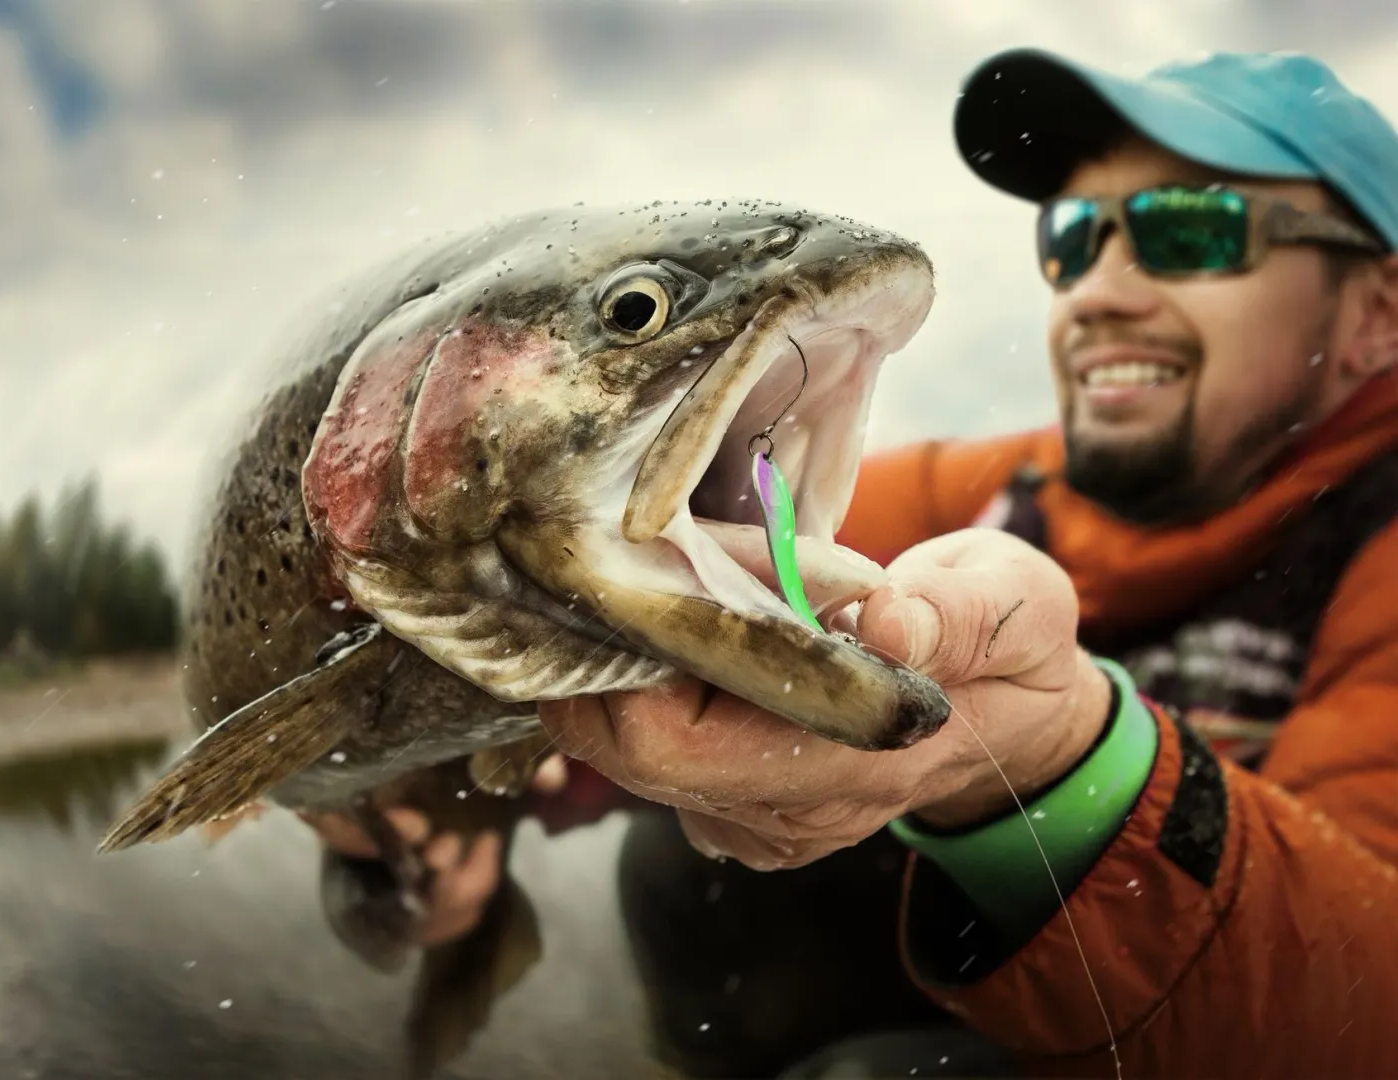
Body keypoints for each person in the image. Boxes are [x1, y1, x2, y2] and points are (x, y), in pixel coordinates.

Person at [308, 46, 1398, 1077]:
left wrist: (1067, 759)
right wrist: (450, 796)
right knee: (689, 871)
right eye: (1072, 235)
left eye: (1188, 230)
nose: (1097, 289)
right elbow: (631, 575)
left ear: (1377, 314)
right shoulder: (998, 487)